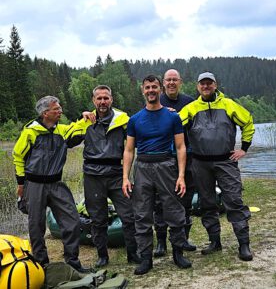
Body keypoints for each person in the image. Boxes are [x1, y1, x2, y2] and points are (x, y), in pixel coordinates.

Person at [180, 72, 255, 261]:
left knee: (234, 201)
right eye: (202, 84)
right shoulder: (190, 109)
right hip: (200, 163)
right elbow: (172, 124)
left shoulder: (228, 105)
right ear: (198, 87)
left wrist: (243, 148)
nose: (206, 86)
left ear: (215, 85)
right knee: (207, 204)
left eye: (209, 83)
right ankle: (215, 242)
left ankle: (244, 244)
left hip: (225, 161)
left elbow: (248, 122)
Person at [122, 74, 192, 275]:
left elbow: (180, 147)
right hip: (143, 166)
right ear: (142, 90)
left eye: (154, 87)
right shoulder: (135, 119)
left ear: (160, 89)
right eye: (147, 87)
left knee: (174, 211)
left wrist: (181, 175)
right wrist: (126, 177)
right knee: (142, 214)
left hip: (166, 166)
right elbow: (128, 150)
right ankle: (146, 259)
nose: (151, 90)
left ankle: (178, 253)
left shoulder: (172, 117)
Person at [13, 96, 90, 272]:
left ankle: (72, 263)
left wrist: (87, 115)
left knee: (72, 220)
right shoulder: (30, 132)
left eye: (60, 107)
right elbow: (18, 156)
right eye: (56, 109)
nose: (60, 110)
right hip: (34, 184)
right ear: (45, 113)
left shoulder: (61, 130)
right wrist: (20, 183)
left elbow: (77, 128)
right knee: (36, 226)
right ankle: (42, 265)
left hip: (56, 183)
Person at [72, 85, 140, 268]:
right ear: (94, 101)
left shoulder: (122, 119)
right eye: (99, 98)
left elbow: (138, 138)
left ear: (112, 99)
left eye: (106, 98)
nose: (103, 102)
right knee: (98, 219)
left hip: (117, 174)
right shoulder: (86, 121)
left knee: (128, 215)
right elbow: (69, 140)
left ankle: (133, 254)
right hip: (93, 175)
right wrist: (81, 120)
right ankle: (102, 256)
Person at [153, 69, 196, 257]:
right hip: (162, 158)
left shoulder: (190, 102)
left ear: (181, 82)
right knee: (160, 202)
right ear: (163, 83)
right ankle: (161, 243)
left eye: (174, 80)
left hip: (187, 157)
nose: (171, 83)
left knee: (185, 200)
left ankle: (183, 239)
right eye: (168, 80)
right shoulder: (156, 102)